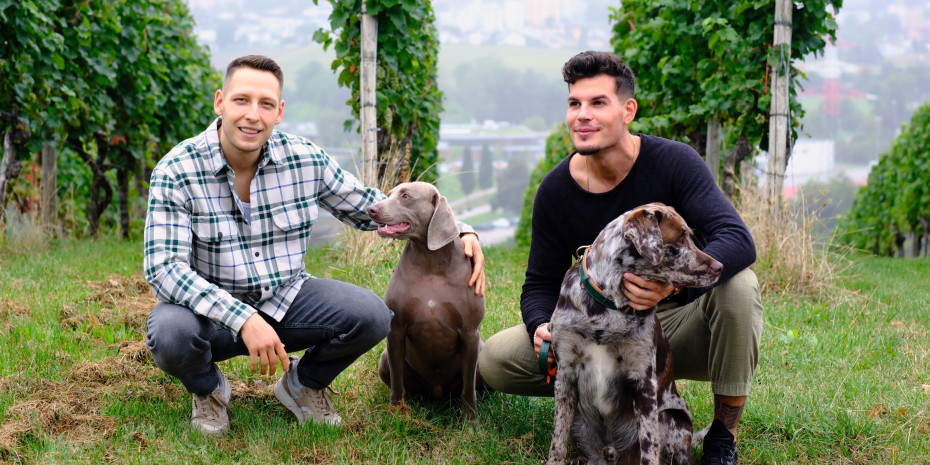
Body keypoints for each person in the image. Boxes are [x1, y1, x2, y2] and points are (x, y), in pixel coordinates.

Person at [143, 54, 486, 435]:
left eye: (266, 104)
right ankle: (208, 390)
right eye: (241, 100)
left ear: (279, 111)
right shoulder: (176, 170)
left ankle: (303, 384)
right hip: (211, 317)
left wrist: (461, 230)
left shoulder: (305, 160)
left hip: (286, 303)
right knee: (169, 332)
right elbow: (164, 269)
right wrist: (243, 318)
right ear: (220, 102)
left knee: (373, 315)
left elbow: (371, 207)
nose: (252, 115)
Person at [477, 50, 762, 465]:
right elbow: (539, 283)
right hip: (589, 335)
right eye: (575, 104)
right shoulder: (555, 190)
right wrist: (541, 325)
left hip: (666, 330)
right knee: (496, 360)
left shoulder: (675, 162)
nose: (582, 116)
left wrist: (670, 287)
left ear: (628, 110)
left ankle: (721, 437)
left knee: (739, 286)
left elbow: (737, 240)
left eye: (598, 103)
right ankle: (597, 408)